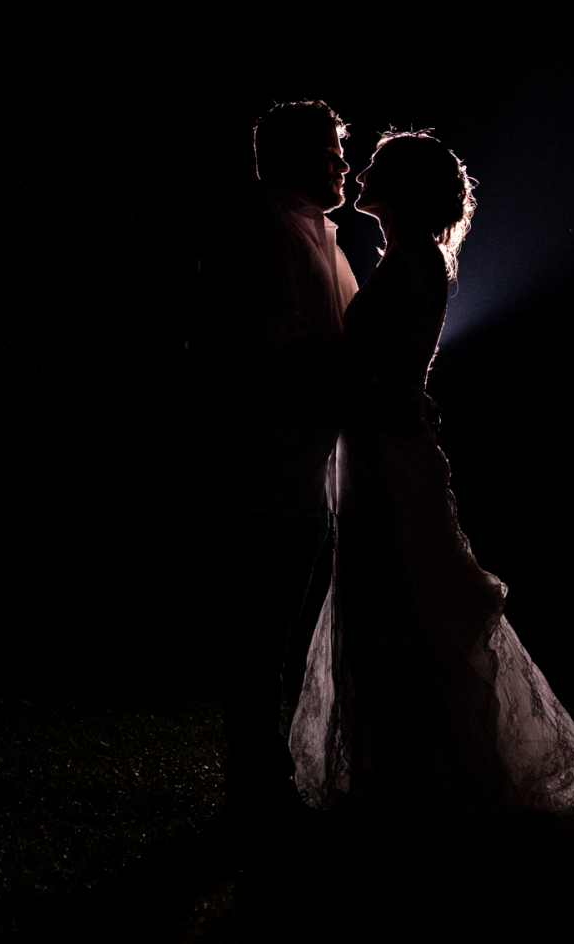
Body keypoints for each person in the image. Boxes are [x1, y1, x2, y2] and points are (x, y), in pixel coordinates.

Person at [289, 131, 574, 829]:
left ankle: (422, 776)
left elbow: (353, 374)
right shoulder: (415, 261)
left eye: (375, 166)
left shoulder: (408, 265)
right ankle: (405, 770)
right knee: (395, 600)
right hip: (384, 448)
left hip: (387, 454)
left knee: (404, 601)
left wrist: (295, 359)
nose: (360, 172)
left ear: (399, 187)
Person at [187, 100, 358, 825]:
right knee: (260, 636)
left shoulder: (323, 235)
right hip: (260, 468)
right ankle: (256, 780)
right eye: (328, 152)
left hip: (304, 469)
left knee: (276, 629)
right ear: (286, 158)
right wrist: (370, 394)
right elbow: (287, 344)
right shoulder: (263, 232)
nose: (342, 165)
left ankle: (263, 775)